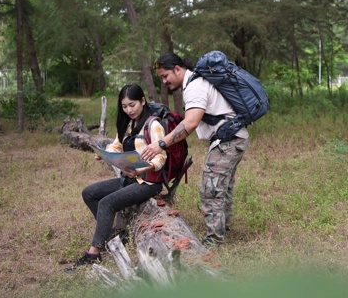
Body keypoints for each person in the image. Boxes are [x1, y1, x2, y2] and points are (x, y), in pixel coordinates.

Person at [141, 52, 249, 249]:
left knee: (211, 189)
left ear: (178, 69)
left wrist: (161, 144)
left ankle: (214, 242)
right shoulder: (197, 82)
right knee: (223, 187)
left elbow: (190, 123)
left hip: (228, 140)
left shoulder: (195, 87)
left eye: (165, 76)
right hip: (233, 137)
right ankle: (224, 229)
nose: (164, 81)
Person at [64, 84, 167, 272]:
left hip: (148, 182)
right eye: (125, 106)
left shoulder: (153, 125)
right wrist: (105, 154)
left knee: (106, 203)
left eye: (132, 105)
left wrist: (142, 169)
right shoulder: (129, 124)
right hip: (129, 179)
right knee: (90, 193)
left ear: (143, 101)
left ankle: (93, 254)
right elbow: (116, 146)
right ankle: (112, 233)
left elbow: (161, 158)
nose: (129, 110)